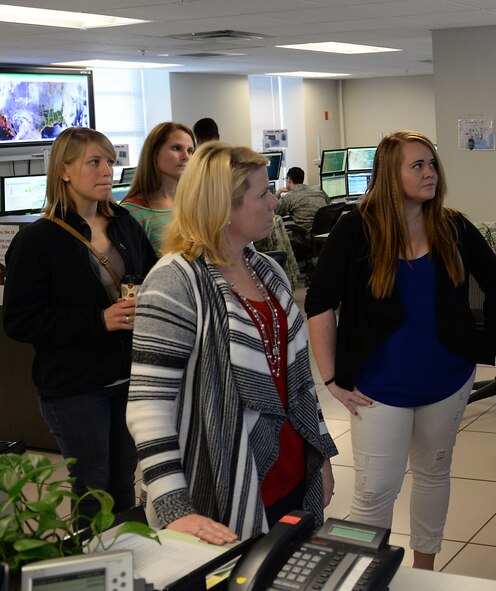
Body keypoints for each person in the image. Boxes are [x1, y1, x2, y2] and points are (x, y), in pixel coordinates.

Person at [305, 130, 496, 570]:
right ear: (388, 174)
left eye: (432, 164)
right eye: (417, 166)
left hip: (446, 381)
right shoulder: (356, 228)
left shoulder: (451, 225)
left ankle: (424, 572)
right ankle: (361, 575)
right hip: (378, 387)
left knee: (434, 475)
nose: (430, 173)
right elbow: (319, 301)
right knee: (376, 489)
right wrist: (331, 379)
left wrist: (484, 345)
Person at [126, 143, 337, 544]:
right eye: (262, 194)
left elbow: (298, 381)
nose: (274, 202)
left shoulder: (266, 268)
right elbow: (148, 406)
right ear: (223, 207)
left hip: (289, 473)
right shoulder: (174, 281)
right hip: (220, 485)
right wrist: (173, 507)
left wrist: (319, 452)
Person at [3, 127, 157, 520]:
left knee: (124, 481)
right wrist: (98, 321)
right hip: (75, 387)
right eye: (95, 162)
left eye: (109, 161)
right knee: (93, 487)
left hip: (128, 377)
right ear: (65, 171)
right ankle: (95, 573)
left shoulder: (123, 223)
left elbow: (155, 276)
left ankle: (129, 566)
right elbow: (21, 321)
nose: (107, 170)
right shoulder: (38, 240)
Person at [121, 122, 196, 255]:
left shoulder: (195, 203)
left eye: (190, 150)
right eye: (176, 148)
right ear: (154, 153)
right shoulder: (132, 212)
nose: (186, 157)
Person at [276, 166, 329, 233]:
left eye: (285, 179)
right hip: (323, 233)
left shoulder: (289, 197)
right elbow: (329, 206)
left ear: (289, 179)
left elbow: (275, 213)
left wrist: (278, 192)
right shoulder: (319, 192)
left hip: (306, 235)